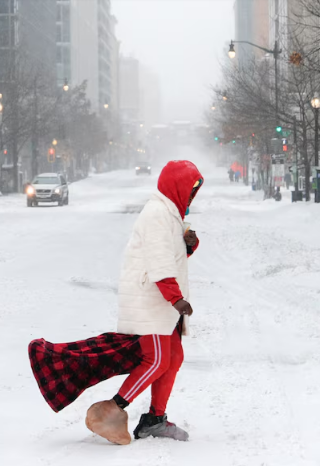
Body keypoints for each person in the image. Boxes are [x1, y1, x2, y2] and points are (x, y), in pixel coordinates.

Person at [28, 161, 203, 446]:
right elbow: (159, 264)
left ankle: (155, 420)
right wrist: (177, 299)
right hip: (152, 300)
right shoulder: (158, 214)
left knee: (173, 358)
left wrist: (187, 245)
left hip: (161, 301)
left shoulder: (170, 215)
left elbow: (169, 255)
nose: (192, 195)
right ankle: (111, 409)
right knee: (157, 359)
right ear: (177, 186)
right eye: (190, 188)